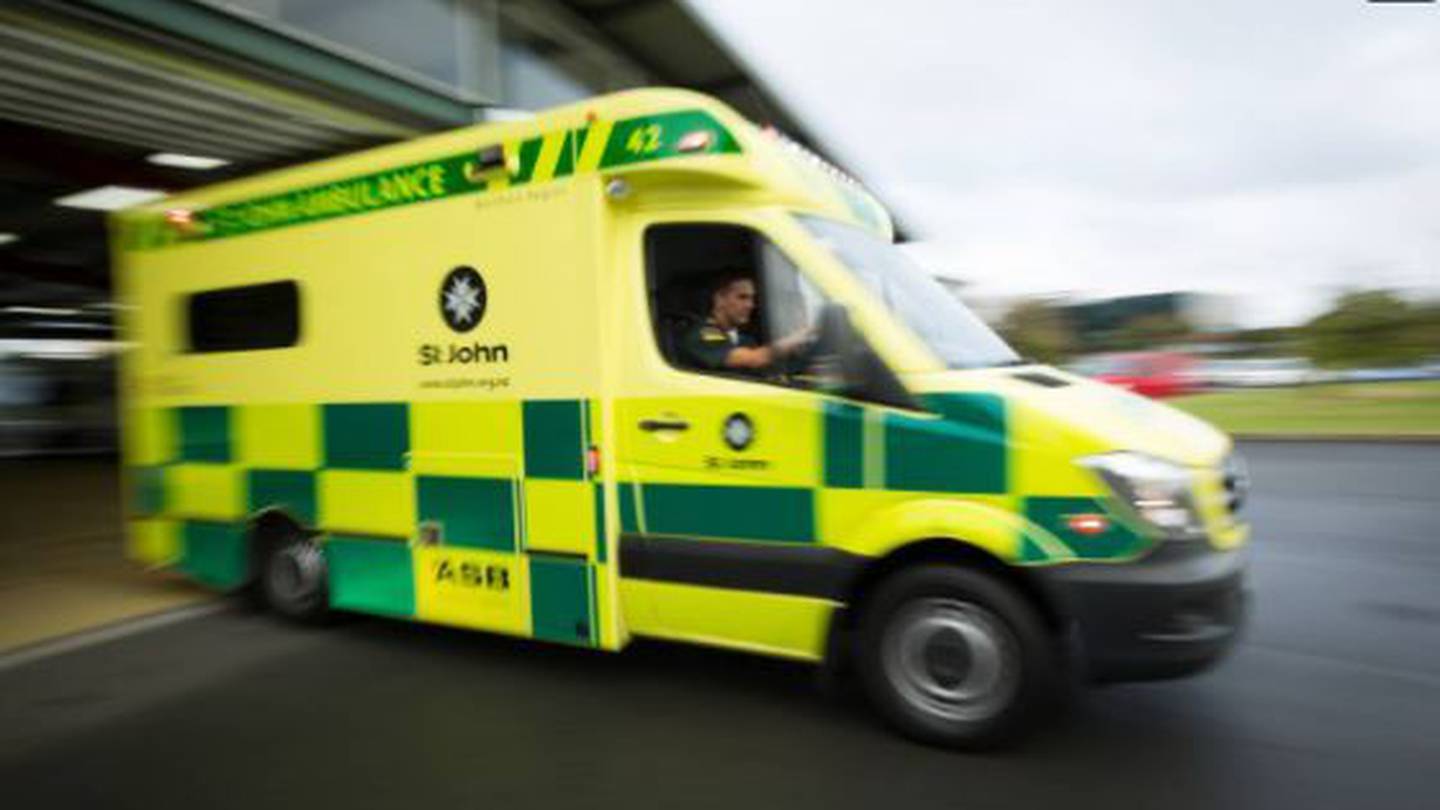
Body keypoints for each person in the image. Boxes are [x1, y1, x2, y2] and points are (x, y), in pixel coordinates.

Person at [677, 270, 812, 376]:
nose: (750, 305)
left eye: (752, 298)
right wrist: (799, 336)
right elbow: (754, 359)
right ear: (719, 299)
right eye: (742, 297)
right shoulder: (702, 335)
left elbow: (770, 371)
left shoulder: (745, 341)